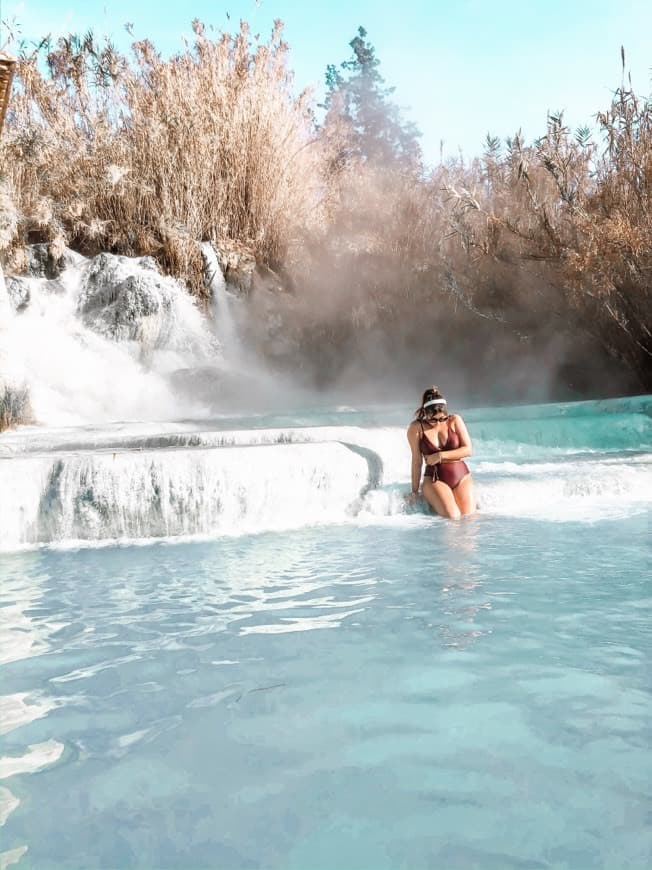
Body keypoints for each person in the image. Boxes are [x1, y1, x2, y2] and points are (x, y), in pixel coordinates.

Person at [406, 386, 476, 519]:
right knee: (453, 517)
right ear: (425, 413)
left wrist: (440, 456)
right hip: (435, 479)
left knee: (469, 518)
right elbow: (417, 461)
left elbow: (468, 450)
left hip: (461, 476)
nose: (438, 423)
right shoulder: (416, 428)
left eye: (441, 419)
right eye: (433, 419)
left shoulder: (454, 420)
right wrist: (414, 491)